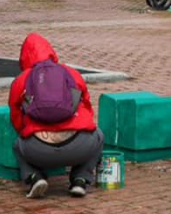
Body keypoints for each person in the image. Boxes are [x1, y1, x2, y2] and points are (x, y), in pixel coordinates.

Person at [8, 33, 103, 198]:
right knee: (99, 136)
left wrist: (27, 132)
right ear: (51, 51)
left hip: (37, 150)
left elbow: (15, 116)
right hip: (80, 146)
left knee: (18, 145)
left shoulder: (22, 79)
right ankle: (80, 179)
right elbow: (87, 106)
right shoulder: (71, 73)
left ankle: (34, 177)